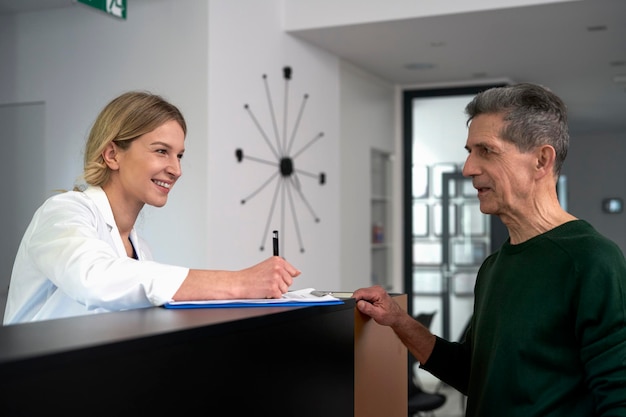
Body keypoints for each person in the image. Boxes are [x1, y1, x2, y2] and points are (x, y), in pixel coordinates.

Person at [353, 83, 626, 416]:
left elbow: (618, 398)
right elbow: (473, 374)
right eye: (469, 151)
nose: (468, 168)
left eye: (486, 150)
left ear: (541, 160)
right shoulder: (494, 266)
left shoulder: (592, 261)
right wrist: (398, 320)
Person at [3, 91, 300, 325]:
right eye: (161, 151)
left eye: (179, 155)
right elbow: (96, 279)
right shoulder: (62, 213)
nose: (176, 169)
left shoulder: (139, 248)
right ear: (112, 155)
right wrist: (238, 283)